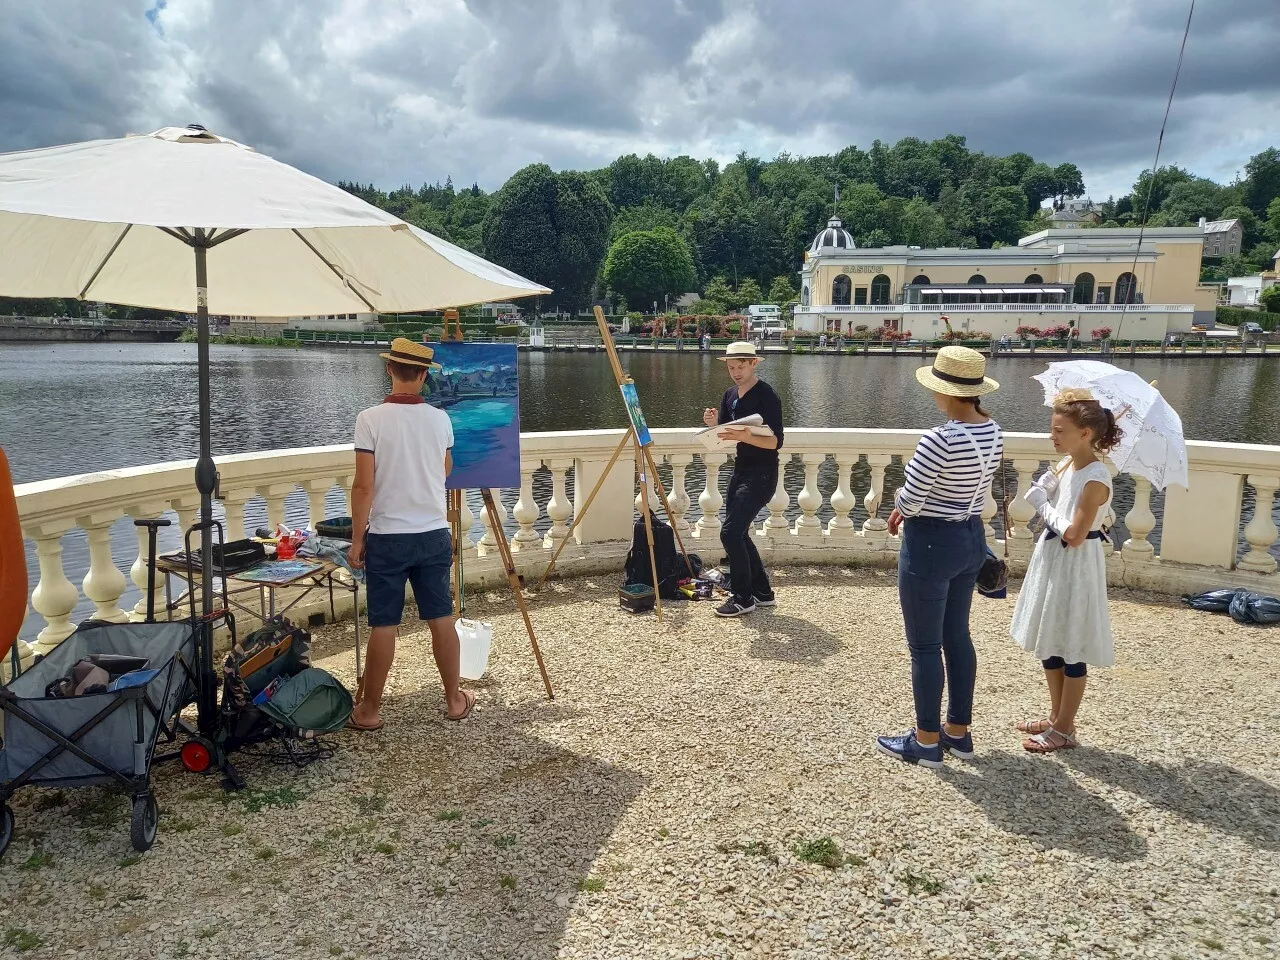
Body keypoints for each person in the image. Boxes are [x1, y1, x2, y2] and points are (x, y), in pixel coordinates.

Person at [877, 346, 1002, 769]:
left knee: (925, 646)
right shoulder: (993, 431)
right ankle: (958, 731)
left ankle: (926, 740)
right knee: (957, 636)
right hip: (970, 537)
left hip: (931, 542)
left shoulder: (940, 438)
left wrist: (897, 500)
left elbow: (911, 499)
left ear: (945, 391)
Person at [347, 338, 474, 730]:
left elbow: (364, 487)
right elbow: (446, 468)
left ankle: (369, 710)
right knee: (441, 618)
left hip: (388, 535)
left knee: (384, 624)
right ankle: (454, 700)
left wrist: (356, 540)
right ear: (423, 376)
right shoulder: (440, 419)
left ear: (390, 370)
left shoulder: (369, 419)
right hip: (433, 532)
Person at [1010, 389, 1121, 753]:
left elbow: (1074, 535)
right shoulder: (1069, 465)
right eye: (1052, 429)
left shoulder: (1095, 478)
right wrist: (1050, 489)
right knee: (1051, 640)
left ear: (1085, 433)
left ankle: (1064, 727)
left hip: (1075, 564)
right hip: (1054, 560)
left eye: (1060, 430)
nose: (1052, 436)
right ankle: (1058, 717)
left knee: (1072, 646)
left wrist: (1042, 505)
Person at [702, 341, 785, 617]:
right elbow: (725, 432)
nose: (736, 372)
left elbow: (775, 442)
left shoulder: (767, 395)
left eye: (741, 367)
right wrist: (713, 424)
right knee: (738, 532)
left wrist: (747, 436)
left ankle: (742, 598)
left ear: (754, 364)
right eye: (731, 367)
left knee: (730, 532)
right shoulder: (729, 395)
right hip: (741, 470)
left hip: (762, 473)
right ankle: (762, 593)